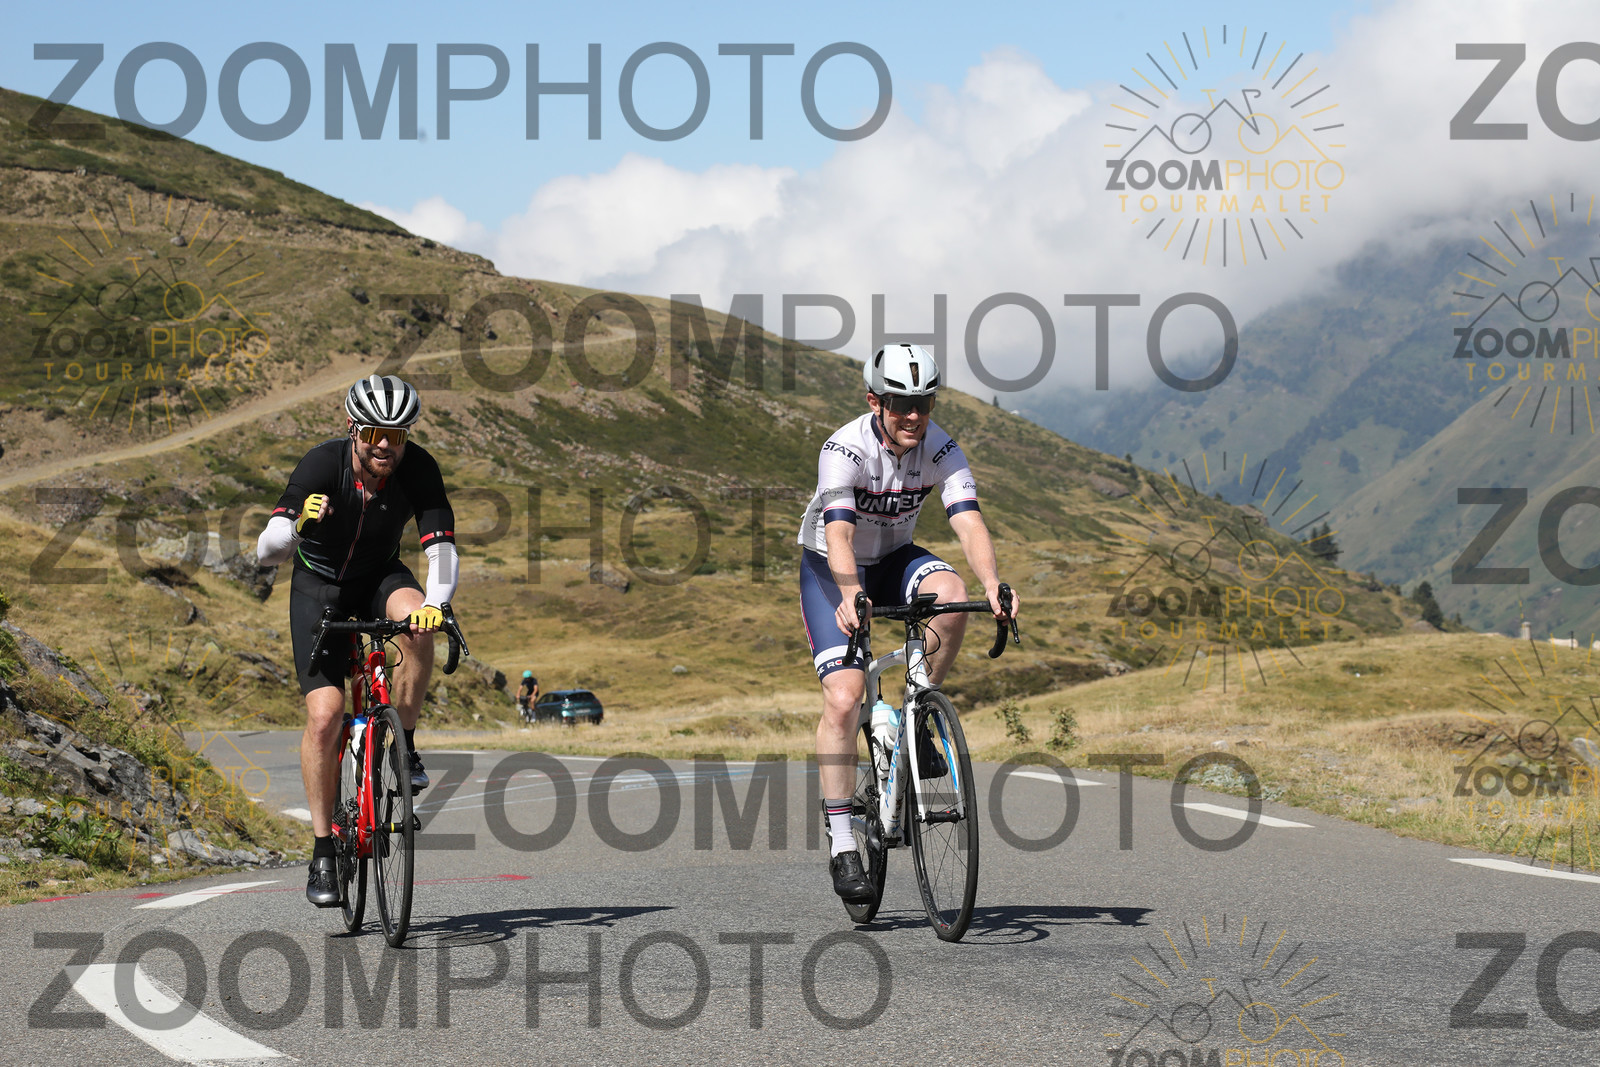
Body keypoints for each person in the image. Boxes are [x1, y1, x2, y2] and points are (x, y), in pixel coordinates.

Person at [796, 343, 1019, 903]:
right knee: (845, 698)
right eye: (900, 403)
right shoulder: (844, 450)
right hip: (833, 567)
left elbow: (968, 521)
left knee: (952, 594)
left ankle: (920, 712)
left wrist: (993, 583)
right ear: (875, 401)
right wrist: (851, 593)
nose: (914, 415)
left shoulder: (941, 447)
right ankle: (843, 843)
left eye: (924, 401)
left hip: (895, 558)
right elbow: (839, 533)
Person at [256, 374, 458, 907]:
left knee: (418, 624)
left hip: (379, 577)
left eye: (397, 434)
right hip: (318, 584)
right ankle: (323, 848)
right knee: (326, 717)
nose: (385, 445)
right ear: (353, 429)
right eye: (373, 433)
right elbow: (266, 550)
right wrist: (298, 525)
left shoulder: (419, 469)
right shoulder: (322, 465)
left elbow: (441, 549)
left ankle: (404, 745)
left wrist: (436, 605)